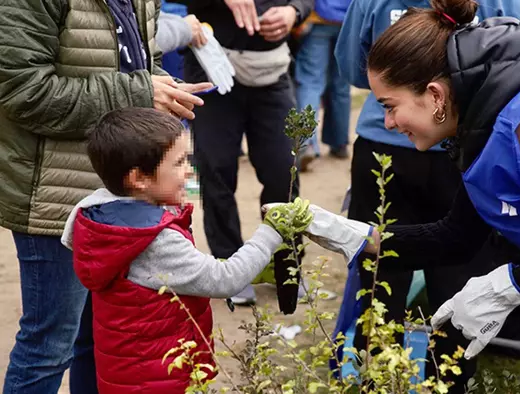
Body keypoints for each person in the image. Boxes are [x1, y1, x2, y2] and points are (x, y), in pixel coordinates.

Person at [358, 0, 520, 391]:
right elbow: (454, 237)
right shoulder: (482, 116)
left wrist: (507, 286)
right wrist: (355, 237)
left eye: (390, 106)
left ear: (435, 95)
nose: (386, 122)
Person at [0, 0, 210, 392]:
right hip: (56, 194)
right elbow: (22, 90)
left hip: (122, 199)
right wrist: (139, 91)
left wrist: (165, 88)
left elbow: (140, 62)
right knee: (49, 345)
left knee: (100, 340)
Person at [333, 0, 520, 390]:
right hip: (461, 145)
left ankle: (380, 382)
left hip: (394, 151)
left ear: (436, 93)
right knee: (457, 282)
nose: (393, 116)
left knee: (384, 283)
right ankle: (445, 384)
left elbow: (351, 70)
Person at [61, 107, 313, 393]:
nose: (189, 171)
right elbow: (224, 279)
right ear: (138, 179)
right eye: (180, 162)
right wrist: (271, 232)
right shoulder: (155, 239)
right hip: (161, 379)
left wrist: (252, 267)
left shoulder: (104, 215)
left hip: (130, 374)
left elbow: (167, 275)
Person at [181, 0, 314, 310]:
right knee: (216, 170)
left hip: (272, 72)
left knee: (284, 171)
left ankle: (288, 267)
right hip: (212, 67)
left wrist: (294, 11)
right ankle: (229, 269)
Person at [293, 0, 353, 170]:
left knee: (310, 82)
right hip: (347, 19)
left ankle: (306, 145)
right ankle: (339, 143)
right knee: (341, 85)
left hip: (317, 18)